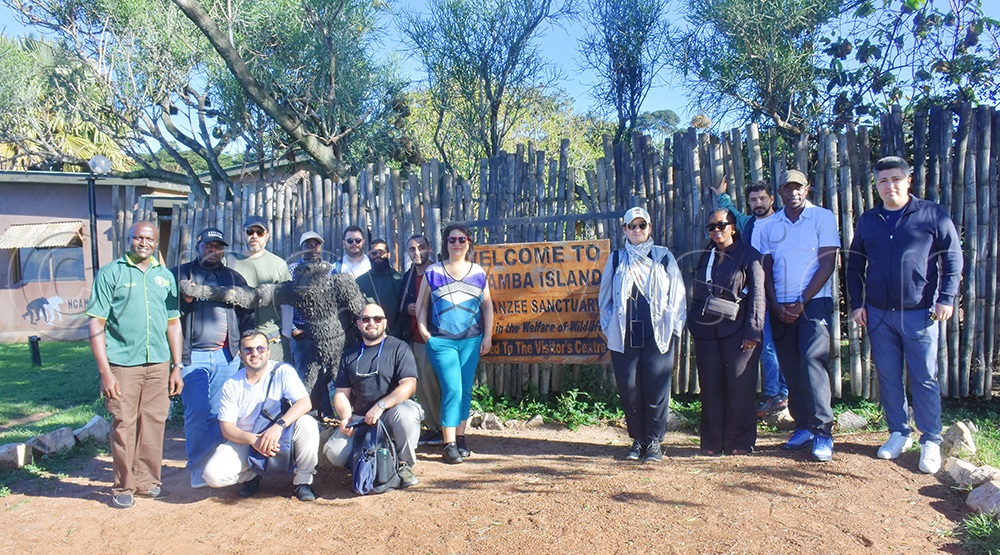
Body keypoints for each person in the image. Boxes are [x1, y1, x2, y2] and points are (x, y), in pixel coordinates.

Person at [846, 156, 962, 474]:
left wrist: (946, 297)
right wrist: (857, 303)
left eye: (896, 179)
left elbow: (952, 258)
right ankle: (899, 432)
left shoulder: (931, 214)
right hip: (878, 314)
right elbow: (855, 264)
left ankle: (931, 440)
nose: (889, 185)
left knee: (924, 377)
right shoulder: (869, 220)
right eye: (883, 180)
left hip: (921, 313)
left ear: (908, 180)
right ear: (876, 184)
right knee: (888, 375)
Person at [86, 221, 183, 509]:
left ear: (156, 243)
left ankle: (148, 482)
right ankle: (123, 486)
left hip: (158, 363)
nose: (143, 243)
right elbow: (96, 323)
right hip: (122, 363)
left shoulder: (164, 276)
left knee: (154, 422)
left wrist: (176, 365)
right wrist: (105, 372)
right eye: (138, 237)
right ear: (129, 239)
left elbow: (174, 323)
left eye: (149, 239)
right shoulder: (111, 273)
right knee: (123, 424)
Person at [755, 169, 840, 462]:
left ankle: (823, 432)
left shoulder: (822, 217)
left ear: (807, 188)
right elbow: (764, 267)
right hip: (781, 304)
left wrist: (803, 301)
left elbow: (827, 262)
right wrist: (776, 304)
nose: (793, 193)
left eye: (798, 187)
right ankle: (803, 426)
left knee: (812, 362)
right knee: (791, 366)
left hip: (814, 302)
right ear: (779, 192)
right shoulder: (769, 226)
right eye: (787, 188)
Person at [598, 207, 687, 463]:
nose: (637, 230)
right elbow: (605, 300)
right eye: (632, 226)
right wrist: (609, 329)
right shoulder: (616, 259)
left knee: (656, 387)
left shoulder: (663, 256)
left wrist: (673, 329)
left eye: (642, 225)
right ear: (624, 229)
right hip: (625, 334)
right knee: (630, 388)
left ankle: (655, 442)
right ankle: (638, 440)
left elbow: (677, 295)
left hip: (656, 333)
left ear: (650, 228)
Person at [172, 227, 254, 489]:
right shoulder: (181, 274)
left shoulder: (233, 278)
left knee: (222, 413)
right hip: (191, 356)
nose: (213, 250)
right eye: (208, 246)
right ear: (198, 247)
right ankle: (197, 467)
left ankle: (217, 465)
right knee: (197, 411)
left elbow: (247, 311)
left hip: (225, 356)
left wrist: (244, 345)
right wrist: (184, 300)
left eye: (218, 246)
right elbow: (166, 311)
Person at [202, 331, 320, 501]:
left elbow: (304, 403)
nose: (255, 353)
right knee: (213, 475)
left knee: (307, 424)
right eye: (248, 350)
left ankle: (303, 481)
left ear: (268, 352)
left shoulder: (282, 371)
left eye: (260, 348)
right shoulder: (232, 384)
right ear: (240, 354)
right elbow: (227, 429)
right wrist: (253, 440)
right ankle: (252, 475)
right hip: (248, 440)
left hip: (281, 434)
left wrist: (278, 426)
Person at [687, 209, 765, 455]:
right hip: (707, 331)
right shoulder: (705, 256)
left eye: (722, 225)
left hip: (739, 331)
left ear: (733, 227)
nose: (717, 230)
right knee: (710, 387)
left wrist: (753, 331)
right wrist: (693, 323)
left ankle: (740, 442)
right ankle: (712, 443)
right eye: (711, 227)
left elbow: (758, 295)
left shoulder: (750, 255)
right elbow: (699, 292)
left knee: (739, 388)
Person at [415, 224, 494, 464]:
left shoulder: (478, 271)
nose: (457, 244)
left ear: (469, 242)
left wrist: (488, 335)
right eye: (452, 240)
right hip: (442, 341)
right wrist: (424, 332)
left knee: (465, 390)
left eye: (462, 239)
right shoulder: (434, 271)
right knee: (452, 389)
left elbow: (487, 305)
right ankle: (448, 443)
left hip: (471, 340)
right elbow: (422, 304)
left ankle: (460, 438)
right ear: (445, 243)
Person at [323, 304, 424, 488]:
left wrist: (381, 406)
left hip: (392, 413)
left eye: (377, 319)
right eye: (366, 319)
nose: (372, 323)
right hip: (362, 418)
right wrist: (345, 417)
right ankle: (366, 463)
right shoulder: (349, 355)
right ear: (359, 324)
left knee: (408, 414)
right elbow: (341, 394)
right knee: (333, 452)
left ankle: (403, 464)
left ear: (385, 323)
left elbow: (409, 385)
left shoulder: (399, 348)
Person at [711, 179, 787, 416]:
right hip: (759, 291)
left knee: (786, 343)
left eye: (762, 198)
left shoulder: (784, 220)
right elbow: (731, 212)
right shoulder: (749, 223)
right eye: (753, 199)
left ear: (772, 199)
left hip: (786, 289)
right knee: (767, 344)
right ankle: (773, 392)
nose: (758, 203)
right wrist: (722, 196)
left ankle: (785, 391)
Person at [397, 234, 444, 446]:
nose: (417, 252)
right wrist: (408, 308)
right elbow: (400, 304)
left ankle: (443, 428)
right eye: (412, 249)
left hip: (433, 338)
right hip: (414, 339)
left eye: (421, 248)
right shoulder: (407, 278)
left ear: (430, 249)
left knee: (435, 385)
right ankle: (433, 427)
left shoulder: (440, 274)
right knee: (422, 387)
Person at [231, 215, 292, 362]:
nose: (254, 236)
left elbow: (287, 304)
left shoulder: (279, 264)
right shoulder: (229, 261)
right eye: (250, 231)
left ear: (267, 236)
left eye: (260, 232)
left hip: (272, 340)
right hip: (237, 342)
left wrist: (286, 335)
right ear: (242, 233)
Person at [288, 230, 334, 379]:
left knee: (327, 376)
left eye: (317, 244)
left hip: (325, 330)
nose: (313, 248)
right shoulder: (291, 270)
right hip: (301, 333)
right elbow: (285, 302)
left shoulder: (330, 269)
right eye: (308, 245)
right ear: (302, 248)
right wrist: (293, 329)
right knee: (303, 375)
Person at [357, 238, 403, 332]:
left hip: (396, 336)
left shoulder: (400, 280)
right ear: (369, 255)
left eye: (381, 252)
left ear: (388, 255)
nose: (378, 255)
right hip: (369, 335)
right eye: (374, 253)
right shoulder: (360, 282)